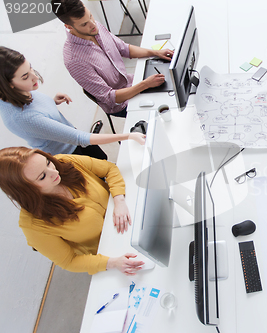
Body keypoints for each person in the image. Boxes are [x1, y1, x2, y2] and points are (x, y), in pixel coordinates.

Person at [0, 146, 145, 275]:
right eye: (42, 176)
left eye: (48, 162)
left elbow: (108, 168)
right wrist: (113, 263)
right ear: (26, 190)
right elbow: (69, 261)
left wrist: (119, 200)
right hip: (114, 250)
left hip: (132, 211)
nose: (54, 171)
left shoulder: (64, 161)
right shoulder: (33, 225)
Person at [0, 46, 145, 159]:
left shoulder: (20, 91)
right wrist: (127, 136)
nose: (34, 77)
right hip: (70, 155)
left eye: (31, 68)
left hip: (74, 139)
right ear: (8, 84)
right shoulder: (21, 117)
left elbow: (37, 110)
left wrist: (52, 101)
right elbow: (80, 138)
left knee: (103, 160)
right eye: (25, 76)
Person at [51, 0, 174, 117]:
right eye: (84, 24)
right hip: (121, 104)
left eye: (91, 16)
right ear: (69, 26)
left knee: (173, 84)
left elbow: (124, 48)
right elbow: (110, 98)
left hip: (132, 82)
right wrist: (145, 85)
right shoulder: (74, 61)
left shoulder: (93, 27)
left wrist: (156, 53)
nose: (93, 24)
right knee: (168, 105)